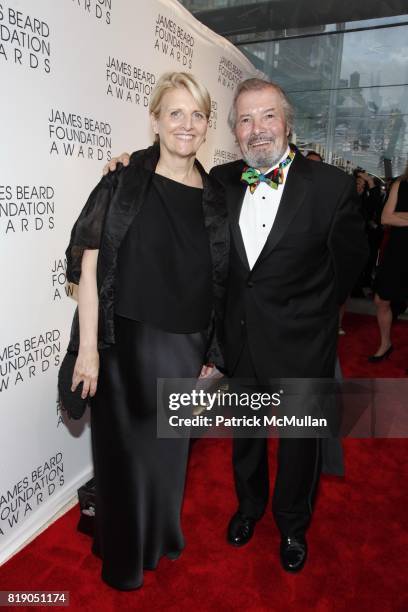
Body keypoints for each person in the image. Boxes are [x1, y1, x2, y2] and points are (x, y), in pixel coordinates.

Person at [105, 77, 368, 573]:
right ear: (232, 130)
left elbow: (348, 264)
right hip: (238, 340)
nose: (257, 129)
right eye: (244, 119)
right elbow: (168, 174)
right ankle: (249, 508)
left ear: (287, 124)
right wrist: (128, 164)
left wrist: (310, 316)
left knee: (299, 447)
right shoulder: (220, 182)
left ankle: (292, 525)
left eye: (268, 116)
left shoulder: (331, 188)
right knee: (245, 437)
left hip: (301, 345)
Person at [65, 71, 229, 590]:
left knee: (168, 455)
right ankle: (123, 557)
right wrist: (88, 350)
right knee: (122, 457)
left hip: (185, 345)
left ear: (207, 126)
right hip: (123, 342)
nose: (186, 124)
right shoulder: (124, 178)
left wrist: (213, 350)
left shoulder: (218, 194)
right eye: (175, 113)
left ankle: (159, 536)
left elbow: (225, 279)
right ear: (155, 119)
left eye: (196, 115)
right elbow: (89, 267)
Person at [369, 164, 408, 361]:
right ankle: (386, 343)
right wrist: (395, 217)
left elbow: (392, 216)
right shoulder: (400, 184)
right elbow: (385, 217)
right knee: (381, 300)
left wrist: (399, 216)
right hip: (397, 252)